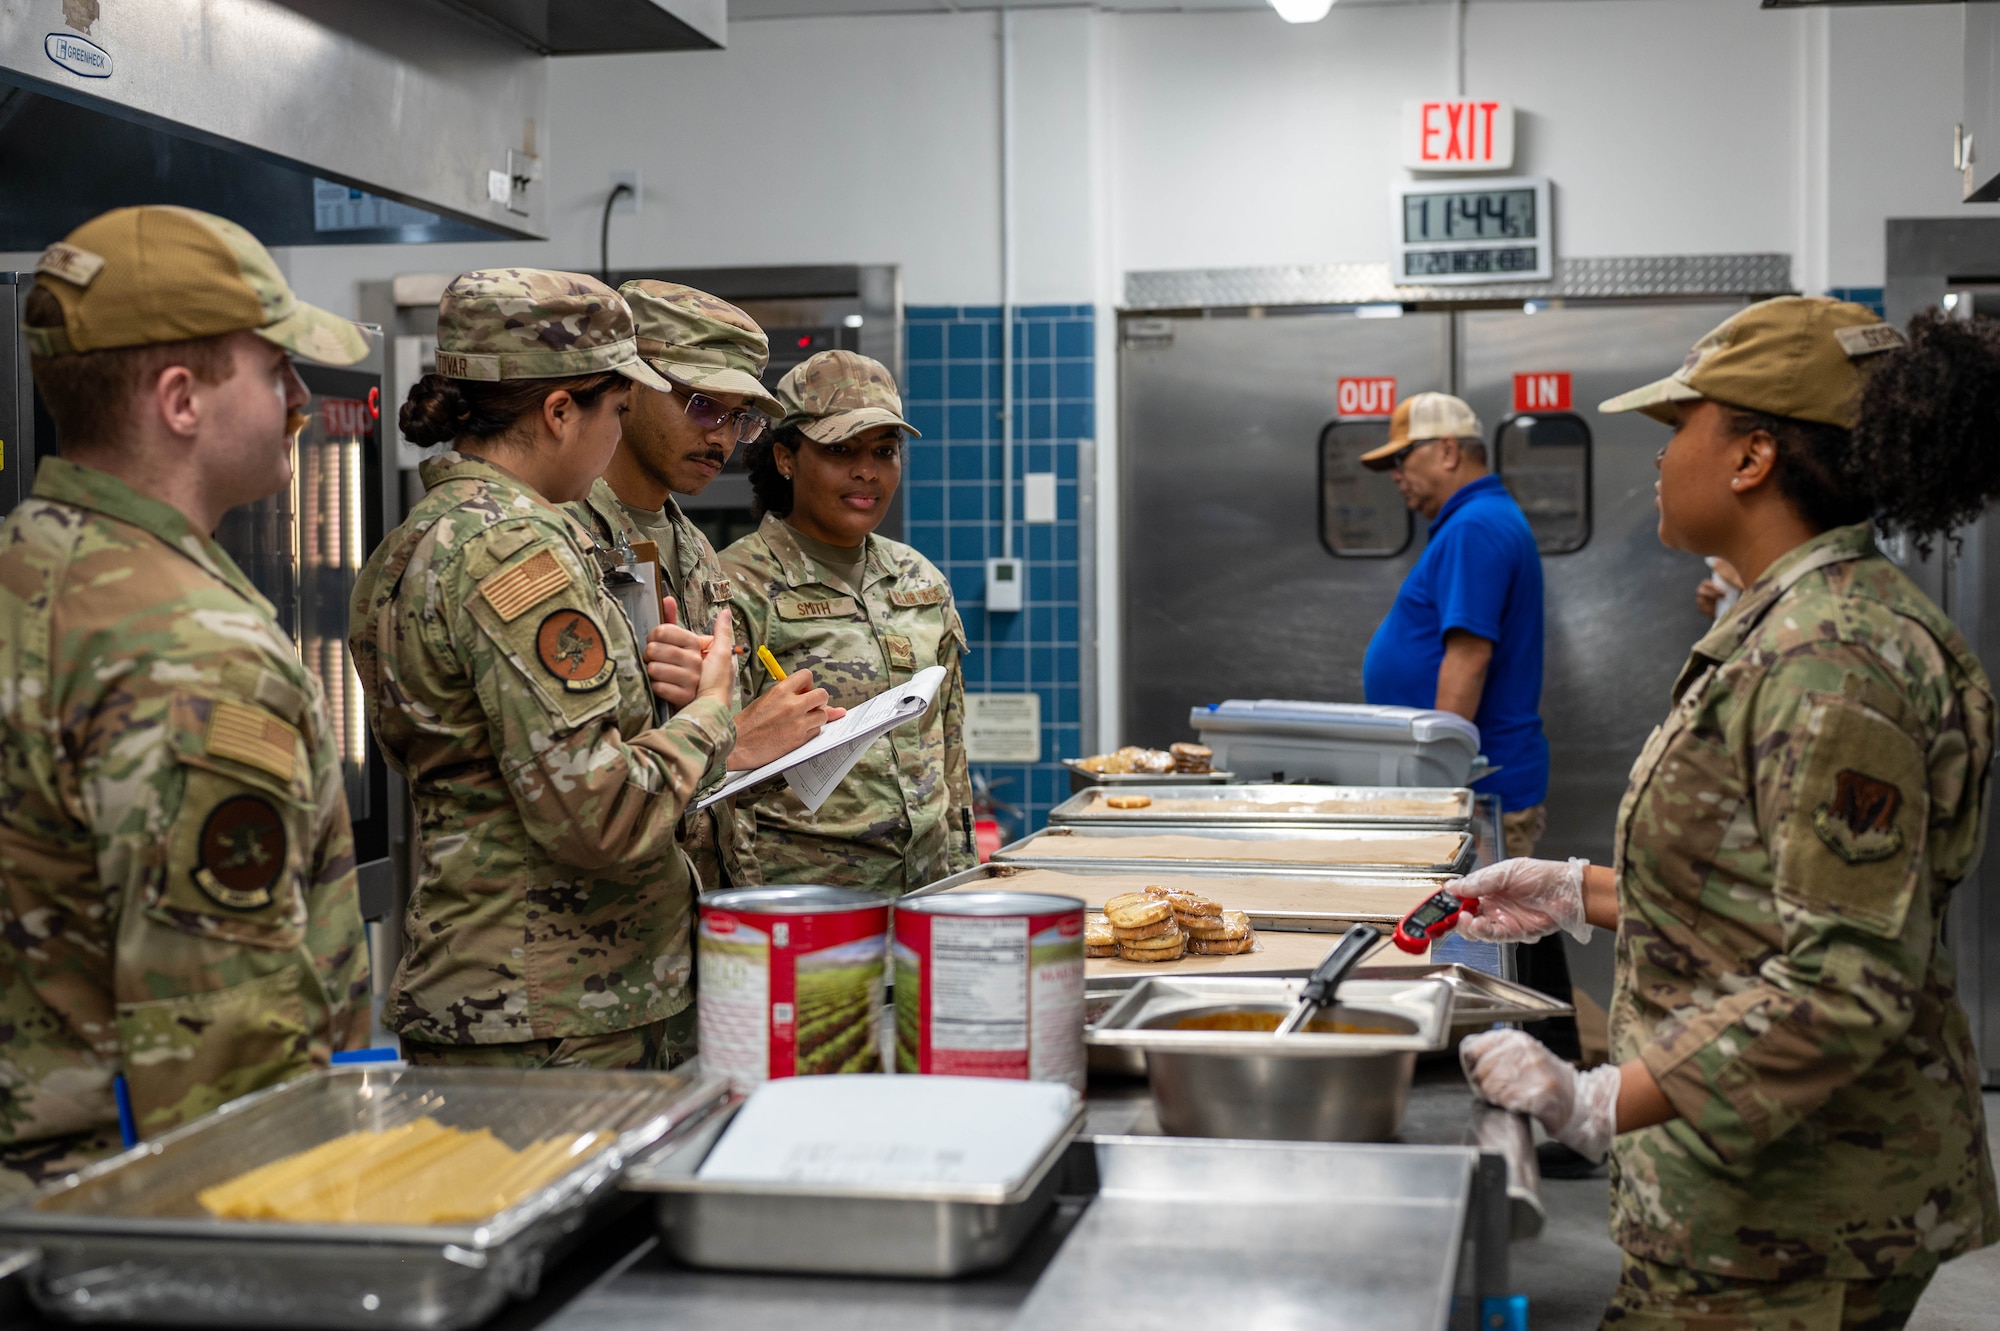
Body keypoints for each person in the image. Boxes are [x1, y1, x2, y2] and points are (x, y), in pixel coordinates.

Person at [1456, 297, 2000, 1329]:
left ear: (1750, 456)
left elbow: (1843, 983)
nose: (1657, 462)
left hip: (1794, 1221)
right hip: (1747, 1202)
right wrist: (1579, 891)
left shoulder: (1826, 661)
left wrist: (1598, 1097)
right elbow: (1766, 895)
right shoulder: (1786, 626)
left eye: (1679, 429)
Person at [0, 206, 372, 1199]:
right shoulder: (192, 648)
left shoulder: (27, 567)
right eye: (273, 371)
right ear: (180, 400)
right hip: (122, 1224)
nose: (299, 396)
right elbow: (221, 1044)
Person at [350, 268, 738, 1071]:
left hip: (496, 988)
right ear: (561, 412)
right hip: (554, 1010)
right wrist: (711, 712)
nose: (617, 437)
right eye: (619, 411)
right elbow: (598, 813)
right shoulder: (518, 549)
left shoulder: (417, 538)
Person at [562, 282, 841, 894]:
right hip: (588, 924)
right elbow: (570, 772)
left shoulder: (696, 552)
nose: (721, 437)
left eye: (738, 418)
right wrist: (734, 732)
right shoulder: (563, 538)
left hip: (692, 905)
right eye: (701, 405)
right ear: (630, 387)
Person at [1356, 391, 1577, 1058]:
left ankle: (1550, 1100)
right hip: (1485, 780)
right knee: (1527, 947)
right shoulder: (1474, 523)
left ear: (1448, 451)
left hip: (1480, 786)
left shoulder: (1475, 527)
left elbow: (1467, 658)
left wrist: (1439, 790)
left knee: (1512, 950)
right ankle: (1561, 1087)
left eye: (1403, 457)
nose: (1396, 474)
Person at [719, 350, 975, 895]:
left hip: (924, 895)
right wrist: (745, 913)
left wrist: (962, 882)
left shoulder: (918, 578)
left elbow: (950, 754)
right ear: (786, 458)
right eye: (841, 450)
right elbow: (719, 782)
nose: (868, 471)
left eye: (885, 451)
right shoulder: (733, 585)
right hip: (806, 905)